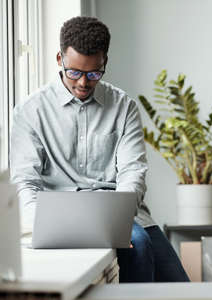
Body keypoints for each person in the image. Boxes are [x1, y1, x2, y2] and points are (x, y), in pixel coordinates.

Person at [10, 16, 189, 283]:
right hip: (57, 216)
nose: (83, 83)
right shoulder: (30, 111)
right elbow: (24, 182)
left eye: (94, 74)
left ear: (104, 62)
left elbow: (133, 173)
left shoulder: (123, 107)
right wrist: (42, 225)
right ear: (60, 59)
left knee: (181, 288)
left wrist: (117, 222)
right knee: (138, 247)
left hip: (117, 211)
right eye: (75, 72)